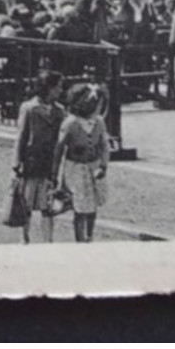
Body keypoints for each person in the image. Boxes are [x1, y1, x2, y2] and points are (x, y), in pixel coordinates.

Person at [12, 71, 66, 244]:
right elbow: (21, 137)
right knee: (26, 203)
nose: (60, 90)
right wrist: (16, 164)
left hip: (49, 163)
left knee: (47, 206)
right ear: (48, 88)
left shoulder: (59, 111)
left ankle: (48, 240)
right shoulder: (29, 108)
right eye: (58, 86)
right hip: (31, 162)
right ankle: (24, 238)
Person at [54, 83, 110, 243]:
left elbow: (104, 145)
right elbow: (59, 149)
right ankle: (79, 238)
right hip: (76, 169)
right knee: (80, 206)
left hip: (94, 167)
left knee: (92, 204)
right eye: (98, 105)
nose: (100, 109)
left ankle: (89, 235)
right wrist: (56, 174)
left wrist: (103, 165)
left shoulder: (99, 122)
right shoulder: (71, 123)